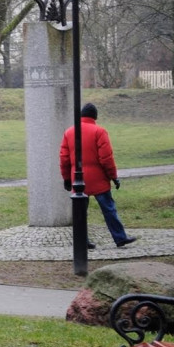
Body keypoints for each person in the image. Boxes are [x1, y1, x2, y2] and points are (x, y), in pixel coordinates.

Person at [59, 103, 137, 249]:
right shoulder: (99, 131)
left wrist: (67, 179)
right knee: (109, 209)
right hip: (98, 179)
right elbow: (106, 158)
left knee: (80, 212)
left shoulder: (69, 132)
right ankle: (120, 238)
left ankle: (82, 240)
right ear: (95, 116)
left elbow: (64, 158)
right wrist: (113, 177)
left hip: (78, 179)